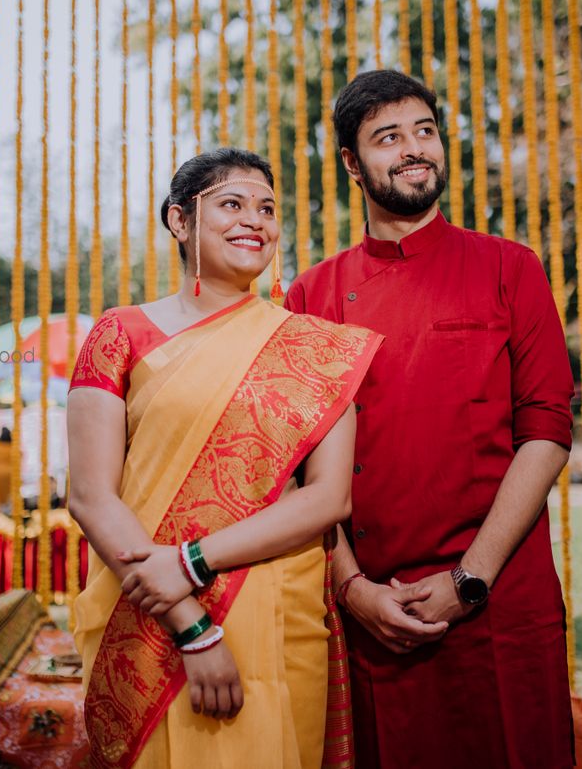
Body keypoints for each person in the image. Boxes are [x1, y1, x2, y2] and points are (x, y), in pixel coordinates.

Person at [284, 71, 576, 768]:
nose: (415, 150)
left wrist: (468, 579)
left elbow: (547, 431)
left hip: (500, 602)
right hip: (377, 619)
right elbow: (300, 468)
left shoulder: (511, 267)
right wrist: (353, 590)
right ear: (353, 164)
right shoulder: (312, 295)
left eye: (425, 131)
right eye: (389, 137)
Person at [67, 148, 381, 769]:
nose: (255, 221)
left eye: (267, 208)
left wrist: (192, 561)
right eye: (232, 204)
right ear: (180, 221)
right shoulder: (120, 334)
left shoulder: (314, 349)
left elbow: (328, 499)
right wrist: (192, 625)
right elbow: (91, 496)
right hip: (153, 612)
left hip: (278, 612)